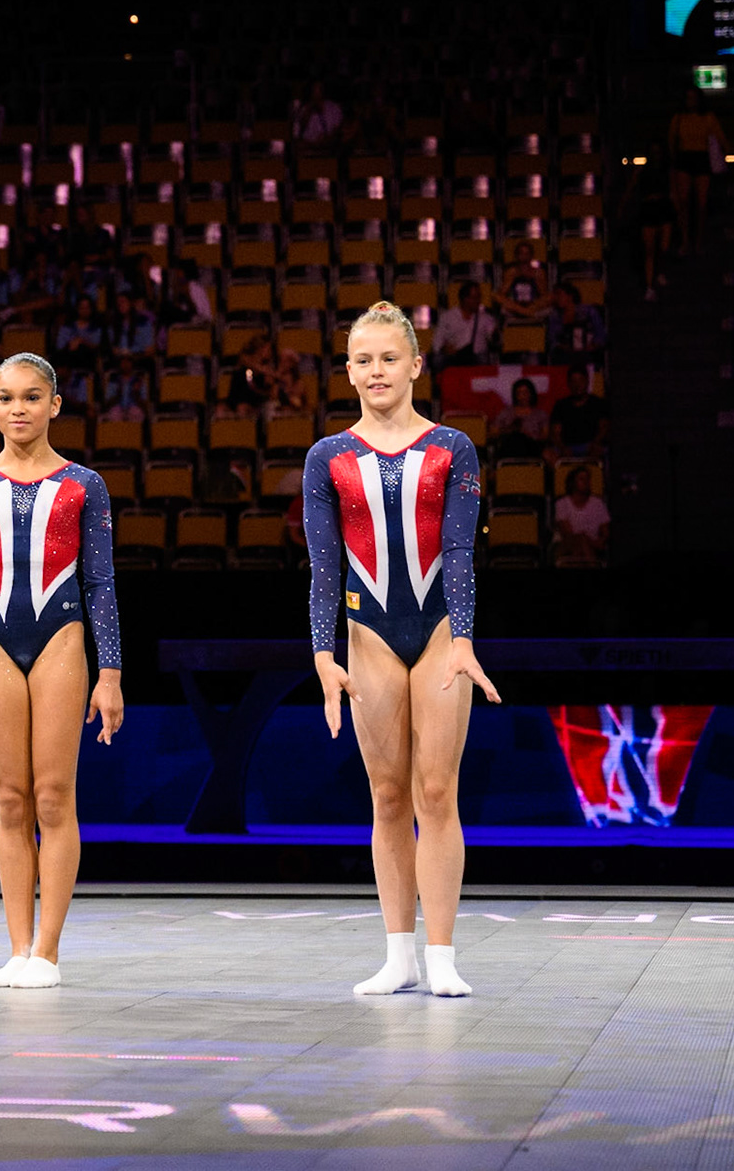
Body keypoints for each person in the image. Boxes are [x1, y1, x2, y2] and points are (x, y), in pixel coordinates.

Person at [303, 301, 500, 998]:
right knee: (388, 795)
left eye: (390, 358)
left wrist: (466, 640)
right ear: (349, 371)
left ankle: (442, 954)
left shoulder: (453, 448)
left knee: (436, 791)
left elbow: (459, 554)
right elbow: (326, 568)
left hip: (440, 630)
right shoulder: (328, 457)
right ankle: (399, 954)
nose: (377, 370)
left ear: (416, 365)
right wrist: (324, 656)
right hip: (369, 635)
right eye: (365, 360)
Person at [0, 353, 124, 990]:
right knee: (9, 800)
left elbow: (100, 584)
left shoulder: (83, 485)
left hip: (61, 640)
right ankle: (17, 948)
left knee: (53, 796)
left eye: (32, 397)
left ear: (55, 405)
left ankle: (48, 951)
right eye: (8, 397)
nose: (19, 409)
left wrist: (111, 673)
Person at [669, 87, 728, 255]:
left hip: (701, 158)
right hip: (684, 158)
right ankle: (686, 240)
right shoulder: (678, 118)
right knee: (684, 201)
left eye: (694, 98)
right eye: (688, 97)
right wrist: (673, 164)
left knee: (701, 203)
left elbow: (720, 137)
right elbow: (671, 142)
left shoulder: (708, 117)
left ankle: (698, 241)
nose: (691, 101)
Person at [626, 144, 676, 301]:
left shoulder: (668, 172)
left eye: (658, 152)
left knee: (664, 247)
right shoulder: (641, 172)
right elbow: (630, 189)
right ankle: (649, 287)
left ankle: (660, 272)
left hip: (664, 208)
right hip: (648, 209)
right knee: (649, 251)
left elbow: (673, 192)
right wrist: (622, 206)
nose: (656, 155)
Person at [431, 282, 498, 367]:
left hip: (477, 358)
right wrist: (444, 349)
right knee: (439, 359)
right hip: (454, 358)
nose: (478, 301)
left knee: (483, 359)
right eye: (474, 298)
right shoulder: (447, 317)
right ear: (464, 299)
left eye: (479, 297)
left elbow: (493, 336)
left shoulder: (485, 318)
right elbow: (437, 342)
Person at [553, 465, 610, 563]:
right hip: (566, 544)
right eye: (581, 479)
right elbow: (567, 533)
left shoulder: (598, 503)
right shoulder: (562, 504)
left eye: (588, 479)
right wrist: (590, 542)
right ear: (573, 482)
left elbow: (606, 532)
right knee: (580, 541)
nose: (586, 482)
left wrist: (596, 542)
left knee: (580, 551)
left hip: (591, 547)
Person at [549, 366, 608, 457]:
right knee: (549, 454)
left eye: (581, 381)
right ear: (568, 384)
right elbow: (555, 433)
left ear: (587, 381)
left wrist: (595, 443)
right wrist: (563, 447)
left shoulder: (598, 403)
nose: (577, 385)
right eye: (573, 381)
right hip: (567, 447)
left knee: (599, 450)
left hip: (590, 446)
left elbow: (604, 428)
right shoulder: (561, 405)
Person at [491, 378, 549, 461]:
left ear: (531, 394)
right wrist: (510, 429)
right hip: (509, 448)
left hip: (533, 448)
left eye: (525, 393)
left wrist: (529, 435)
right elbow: (493, 433)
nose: (522, 396)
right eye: (519, 393)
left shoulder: (540, 414)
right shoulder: (505, 413)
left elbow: (545, 436)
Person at [495, 240, 548, 322]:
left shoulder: (539, 272)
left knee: (552, 297)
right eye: (521, 253)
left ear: (531, 256)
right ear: (517, 256)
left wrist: (535, 278)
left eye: (527, 254)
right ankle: (526, 313)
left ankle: (525, 312)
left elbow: (544, 295)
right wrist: (512, 278)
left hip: (533, 305)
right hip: (515, 306)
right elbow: (502, 294)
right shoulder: (511, 272)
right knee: (497, 297)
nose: (524, 256)